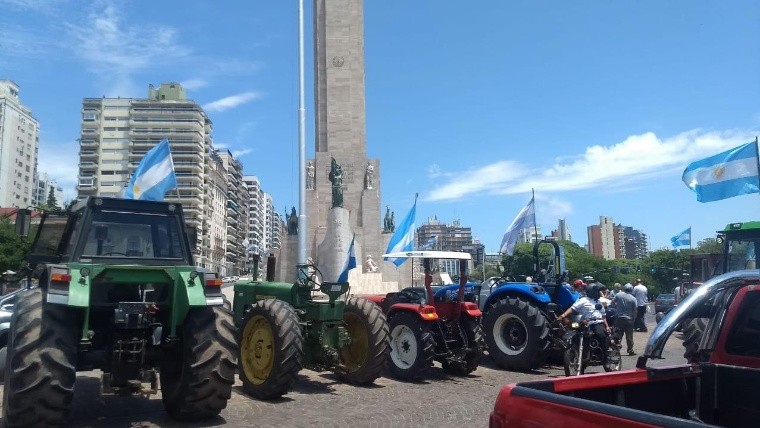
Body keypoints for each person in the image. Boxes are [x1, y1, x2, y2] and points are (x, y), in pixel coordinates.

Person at [558, 283, 612, 361]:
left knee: (601, 334)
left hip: (597, 322)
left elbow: (603, 316)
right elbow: (572, 308)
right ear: (593, 292)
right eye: (598, 291)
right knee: (575, 332)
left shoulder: (598, 302)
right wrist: (563, 315)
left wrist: (607, 326)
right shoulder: (583, 300)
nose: (600, 293)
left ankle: (605, 356)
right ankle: (582, 354)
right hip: (584, 323)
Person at [612, 283, 638, 355]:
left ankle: (616, 349)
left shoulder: (618, 295)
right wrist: (634, 319)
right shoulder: (633, 299)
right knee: (629, 336)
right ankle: (630, 350)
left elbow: (612, 303)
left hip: (619, 318)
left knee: (618, 334)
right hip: (629, 319)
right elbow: (635, 310)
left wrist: (617, 307)